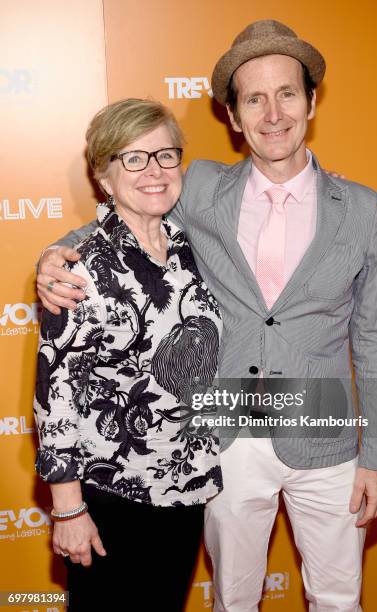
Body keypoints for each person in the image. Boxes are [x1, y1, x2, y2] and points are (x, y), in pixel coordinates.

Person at [37, 20, 377, 612]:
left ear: (311, 101)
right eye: (254, 98)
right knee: (232, 600)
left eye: (287, 93)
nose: (273, 112)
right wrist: (56, 255)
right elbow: (129, 208)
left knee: (339, 598)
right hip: (225, 433)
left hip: (327, 434)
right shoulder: (199, 185)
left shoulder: (361, 207)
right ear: (233, 117)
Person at [33, 98, 223, 612]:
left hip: (185, 488)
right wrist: (68, 510)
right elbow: (57, 394)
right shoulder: (81, 268)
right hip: (111, 497)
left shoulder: (188, 249)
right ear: (104, 176)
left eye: (165, 155)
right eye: (133, 158)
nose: (154, 171)